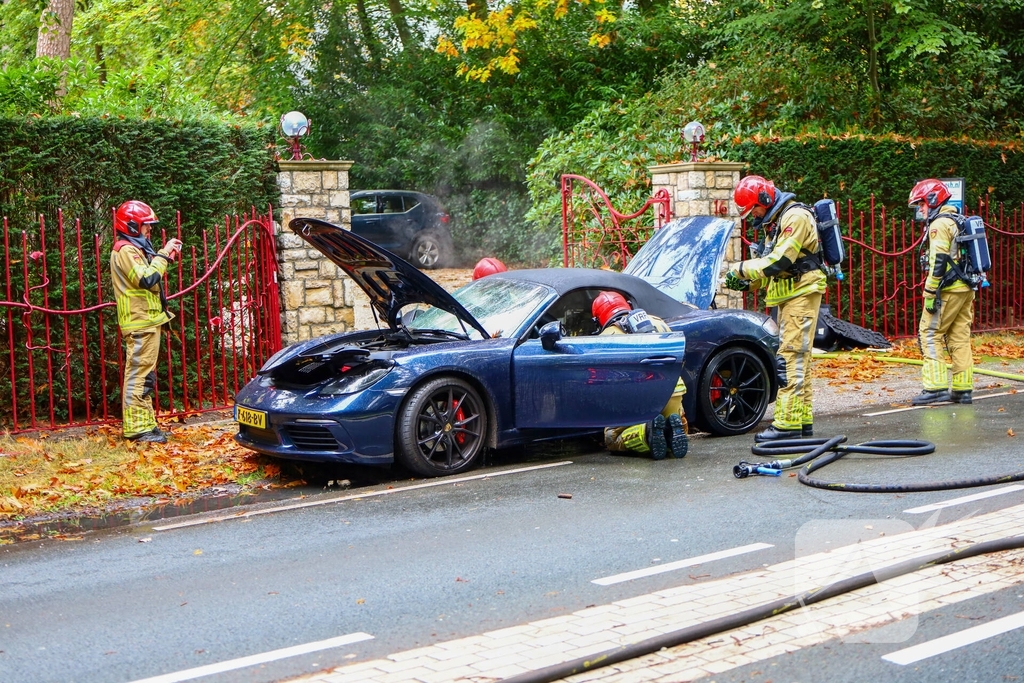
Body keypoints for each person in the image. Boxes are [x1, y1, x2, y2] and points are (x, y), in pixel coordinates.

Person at [724, 175, 826, 441]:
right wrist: (746, 284)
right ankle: (801, 421)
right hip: (791, 295)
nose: (754, 215)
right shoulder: (776, 222)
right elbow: (771, 269)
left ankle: (787, 425)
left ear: (765, 199)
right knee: (799, 360)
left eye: (754, 209)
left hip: (802, 293)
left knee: (790, 358)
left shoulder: (795, 217)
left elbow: (780, 261)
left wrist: (741, 269)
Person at [110, 200, 182, 443]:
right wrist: (163, 254)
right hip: (139, 322)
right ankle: (137, 430)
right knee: (139, 375)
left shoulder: (133, 248)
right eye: (145, 225)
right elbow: (147, 279)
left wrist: (164, 255)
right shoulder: (125, 250)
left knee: (145, 376)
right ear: (131, 226)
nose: (149, 230)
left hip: (147, 321)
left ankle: (147, 425)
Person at [593, 291, 688, 459]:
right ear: (628, 305)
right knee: (676, 420)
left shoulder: (604, 338)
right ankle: (671, 428)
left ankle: (647, 432)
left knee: (611, 438)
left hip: (637, 400)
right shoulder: (657, 322)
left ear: (597, 320)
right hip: (673, 391)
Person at [908, 179, 975, 405]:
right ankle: (963, 389)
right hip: (966, 288)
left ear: (933, 199)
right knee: (959, 336)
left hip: (947, 290)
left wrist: (929, 291)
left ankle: (935, 388)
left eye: (922, 204)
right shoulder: (957, 220)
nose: (921, 210)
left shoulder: (939, 225)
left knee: (929, 333)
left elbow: (939, 260)